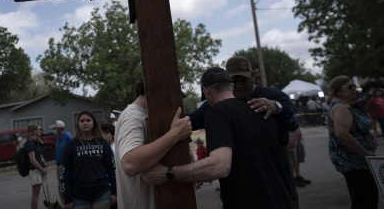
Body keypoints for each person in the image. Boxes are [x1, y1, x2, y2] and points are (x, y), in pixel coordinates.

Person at [142, 67, 292, 208]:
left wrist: (166, 174)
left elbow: (220, 166)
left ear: (206, 92)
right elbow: (289, 141)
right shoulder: (264, 108)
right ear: (231, 87)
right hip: (284, 201)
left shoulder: (216, 113)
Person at [188, 55, 301, 207]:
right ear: (228, 82)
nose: (239, 85)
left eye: (244, 79)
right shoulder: (218, 106)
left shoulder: (272, 96)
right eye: (234, 80)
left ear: (253, 77)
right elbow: (190, 121)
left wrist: (277, 107)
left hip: (279, 186)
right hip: (242, 194)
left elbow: (294, 123)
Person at [114, 79, 192, 209]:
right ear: (159, 92)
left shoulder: (146, 116)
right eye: (171, 97)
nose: (172, 102)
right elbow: (130, 164)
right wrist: (175, 134)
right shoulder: (133, 117)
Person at [327, 76, 378, 208]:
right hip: (353, 160)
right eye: (350, 87)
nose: (354, 89)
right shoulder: (340, 107)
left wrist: (368, 136)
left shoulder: (343, 105)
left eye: (354, 86)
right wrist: (365, 153)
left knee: (370, 196)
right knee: (362, 201)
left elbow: (352, 130)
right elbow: (342, 134)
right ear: (338, 90)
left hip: (357, 160)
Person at [60, 110, 117, 209]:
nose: (85, 123)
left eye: (88, 120)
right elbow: (65, 173)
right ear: (78, 124)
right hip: (78, 196)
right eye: (82, 121)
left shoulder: (103, 144)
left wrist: (114, 191)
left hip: (102, 193)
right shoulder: (71, 145)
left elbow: (112, 169)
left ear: (94, 123)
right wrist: (67, 198)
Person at [50, 120, 72, 206]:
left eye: (55, 128)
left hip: (67, 165)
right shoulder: (57, 137)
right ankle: (65, 204)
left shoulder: (68, 136)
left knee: (69, 184)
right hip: (59, 165)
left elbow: (73, 150)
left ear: (59, 128)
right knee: (61, 186)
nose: (54, 130)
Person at [26, 124, 48, 209]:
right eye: (39, 129)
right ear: (34, 131)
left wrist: (45, 166)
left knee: (37, 193)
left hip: (41, 169)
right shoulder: (30, 144)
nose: (41, 131)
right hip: (35, 171)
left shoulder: (37, 142)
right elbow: (32, 160)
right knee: (35, 194)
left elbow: (41, 156)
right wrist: (42, 169)